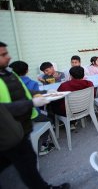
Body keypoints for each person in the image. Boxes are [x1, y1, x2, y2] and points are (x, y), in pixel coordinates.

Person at [0, 42, 70, 189]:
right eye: (3, 54)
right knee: (27, 165)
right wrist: (32, 103)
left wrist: (45, 93)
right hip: (9, 131)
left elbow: (23, 92)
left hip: (20, 128)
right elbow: (4, 108)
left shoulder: (8, 73)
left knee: (26, 165)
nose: (9, 57)